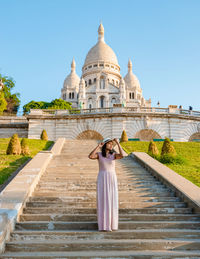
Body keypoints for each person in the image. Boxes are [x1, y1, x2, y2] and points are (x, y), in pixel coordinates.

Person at [88, 138, 124, 231]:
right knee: (103, 200)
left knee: (112, 199)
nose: (111, 145)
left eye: (112, 144)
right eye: (109, 144)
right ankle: (103, 225)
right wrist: (98, 146)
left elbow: (122, 155)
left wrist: (118, 143)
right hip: (102, 177)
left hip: (112, 177)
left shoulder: (114, 155)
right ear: (105, 145)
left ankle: (112, 225)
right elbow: (91, 156)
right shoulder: (99, 155)